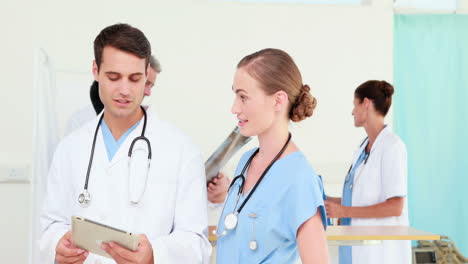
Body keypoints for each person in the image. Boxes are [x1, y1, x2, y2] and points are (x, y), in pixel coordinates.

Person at [40, 23, 211, 264]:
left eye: (135, 79)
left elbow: (197, 243)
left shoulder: (181, 150)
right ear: (96, 71)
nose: (124, 90)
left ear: (146, 77)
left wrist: (155, 254)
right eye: (113, 77)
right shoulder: (70, 148)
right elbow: (50, 225)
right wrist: (57, 245)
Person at [215, 48, 329, 263]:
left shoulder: (299, 179)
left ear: (278, 100)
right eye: (235, 95)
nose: (234, 108)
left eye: (243, 97)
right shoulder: (245, 162)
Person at [325, 80, 411, 264]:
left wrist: (344, 211)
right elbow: (363, 200)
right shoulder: (362, 148)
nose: (352, 112)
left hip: (380, 253)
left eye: (354, 105)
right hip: (356, 247)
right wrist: (331, 202)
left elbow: (395, 206)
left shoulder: (392, 146)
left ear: (366, 103)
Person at [64, 55, 161, 136]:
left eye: (151, 86)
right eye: (146, 83)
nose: (148, 93)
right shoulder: (80, 121)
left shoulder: (150, 122)